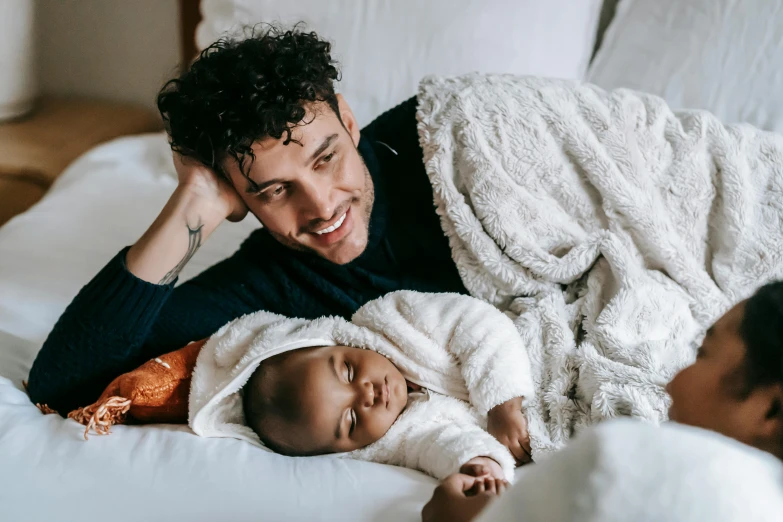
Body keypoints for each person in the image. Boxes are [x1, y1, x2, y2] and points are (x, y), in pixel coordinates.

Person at [26, 26, 466, 414]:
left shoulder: (448, 139)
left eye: (326, 158)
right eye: (275, 190)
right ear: (237, 194)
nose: (321, 207)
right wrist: (194, 201)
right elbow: (62, 386)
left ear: (348, 121)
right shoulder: (271, 281)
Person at [422, 280, 783, 522]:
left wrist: (462, 516)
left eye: (703, 353)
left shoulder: (626, 462)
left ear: (771, 409)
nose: (672, 382)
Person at [188, 290, 535, 481]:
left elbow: (479, 324)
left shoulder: (394, 318)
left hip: (532, 353)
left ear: (337, 341)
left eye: (349, 372)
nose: (367, 394)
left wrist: (502, 405)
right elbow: (441, 445)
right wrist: (477, 464)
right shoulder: (395, 443)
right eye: (350, 421)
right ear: (346, 450)